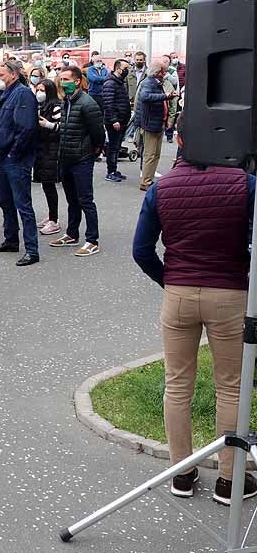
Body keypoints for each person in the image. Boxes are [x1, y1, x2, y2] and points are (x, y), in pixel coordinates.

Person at [132, 118, 257, 504]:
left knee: (177, 382)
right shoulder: (245, 184)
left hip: (179, 292)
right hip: (230, 292)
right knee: (231, 386)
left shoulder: (161, 186)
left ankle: (181, 473)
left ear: (180, 140)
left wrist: (171, 280)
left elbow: (141, 250)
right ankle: (228, 479)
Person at [44, 66, 105, 257]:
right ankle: (72, 234)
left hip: (82, 158)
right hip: (66, 157)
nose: (63, 83)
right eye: (61, 79)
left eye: (66, 79)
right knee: (72, 200)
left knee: (86, 200)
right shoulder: (65, 102)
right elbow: (64, 128)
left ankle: (92, 240)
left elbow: (98, 133)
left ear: (77, 81)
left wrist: (93, 150)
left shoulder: (88, 103)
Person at [0, 60, 40, 267]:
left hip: (15, 159)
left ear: (14, 75)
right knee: (6, 202)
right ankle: (11, 239)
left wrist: (13, 153)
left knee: (23, 205)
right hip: (3, 156)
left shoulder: (23, 94)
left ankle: (32, 250)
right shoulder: (8, 94)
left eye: (2, 75)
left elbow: (26, 128)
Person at [136, 61, 177, 191]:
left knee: (156, 154)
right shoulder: (148, 83)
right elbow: (144, 96)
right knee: (150, 154)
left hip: (158, 123)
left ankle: (148, 180)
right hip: (150, 124)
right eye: (164, 71)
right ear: (158, 72)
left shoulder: (156, 83)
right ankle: (145, 182)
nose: (165, 74)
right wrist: (165, 96)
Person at [33, 79, 63, 236]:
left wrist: (49, 125)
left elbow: (61, 128)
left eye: (42, 90)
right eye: (38, 89)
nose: (39, 93)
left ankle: (54, 220)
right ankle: (52, 216)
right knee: (46, 185)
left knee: (50, 185)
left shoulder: (56, 106)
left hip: (52, 150)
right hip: (42, 149)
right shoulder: (40, 106)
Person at [101, 58, 133, 183]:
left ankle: (114, 170)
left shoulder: (120, 82)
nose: (127, 71)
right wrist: (114, 120)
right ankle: (110, 172)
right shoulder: (110, 83)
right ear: (117, 68)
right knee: (113, 147)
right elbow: (108, 104)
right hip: (114, 121)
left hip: (121, 120)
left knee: (117, 146)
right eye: (125, 68)